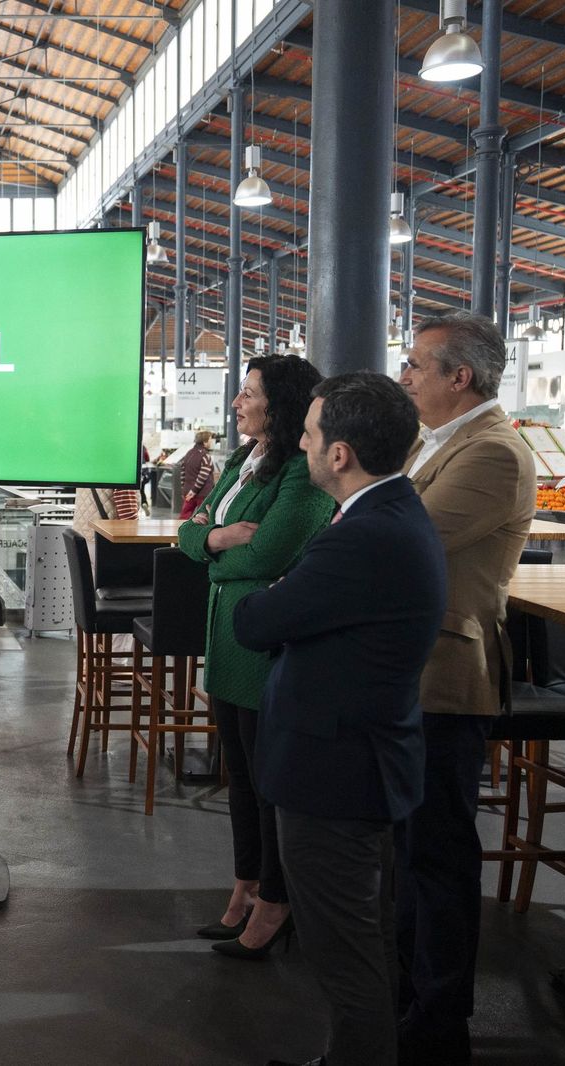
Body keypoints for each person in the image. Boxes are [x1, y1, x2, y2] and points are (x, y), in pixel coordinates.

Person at [235, 372, 446, 1066]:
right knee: (365, 943)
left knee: (345, 956)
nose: (298, 440)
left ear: (339, 454)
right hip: (361, 762)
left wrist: (277, 592)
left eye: (311, 432)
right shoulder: (387, 515)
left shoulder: (362, 537)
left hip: (335, 775)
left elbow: (257, 619)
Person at [396, 311, 535, 1066]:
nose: (405, 376)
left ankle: (437, 1024)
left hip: (446, 675)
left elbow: (397, 534)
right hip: (408, 669)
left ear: (462, 376)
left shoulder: (495, 455)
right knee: (408, 851)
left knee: (439, 857)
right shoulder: (437, 443)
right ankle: (405, 1003)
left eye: (417, 364)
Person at [177, 354, 335, 960]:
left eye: (248, 394)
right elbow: (190, 528)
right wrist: (217, 539)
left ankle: (276, 899)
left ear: (280, 404)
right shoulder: (245, 460)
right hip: (226, 640)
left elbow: (270, 555)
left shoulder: (299, 470)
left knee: (267, 781)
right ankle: (245, 885)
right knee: (238, 777)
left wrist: (214, 556)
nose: (238, 404)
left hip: (265, 646)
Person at [177, 430, 217, 519]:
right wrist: (194, 491)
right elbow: (203, 476)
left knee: (184, 516)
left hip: (188, 492)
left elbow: (182, 473)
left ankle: (179, 532)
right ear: (205, 442)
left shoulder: (188, 453)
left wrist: (185, 489)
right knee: (204, 517)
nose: (212, 441)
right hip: (203, 494)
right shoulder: (205, 456)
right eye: (210, 439)